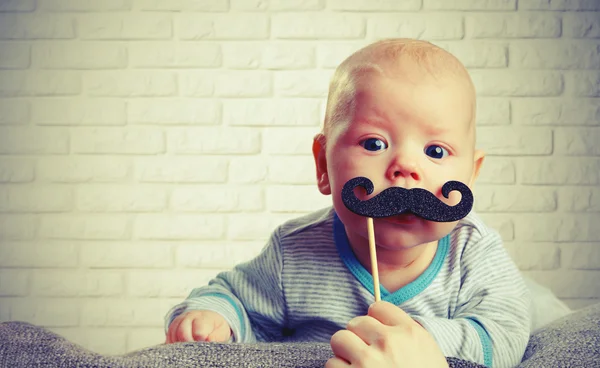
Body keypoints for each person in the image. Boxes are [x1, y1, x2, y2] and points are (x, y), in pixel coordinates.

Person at [164, 38, 531, 368]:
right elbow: (238, 300)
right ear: (323, 165)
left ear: (471, 174)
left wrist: (415, 343)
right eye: (374, 144)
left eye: (436, 151)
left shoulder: (472, 251)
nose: (405, 168)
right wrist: (213, 319)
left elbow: (504, 335)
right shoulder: (295, 251)